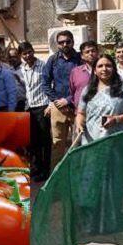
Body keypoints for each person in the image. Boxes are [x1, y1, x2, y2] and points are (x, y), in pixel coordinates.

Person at [75, 54, 123, 144]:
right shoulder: (88, 90)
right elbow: (81, 113)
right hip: (91, 140)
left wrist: (116, 119)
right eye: (100, 66)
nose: (104, 69)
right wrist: (79, 124)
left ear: (114, 69)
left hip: (116, 140)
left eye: (108, 66)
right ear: (94, 71)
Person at [42, 30, 82, 170]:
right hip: (58, 108)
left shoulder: (80, 59)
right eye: (61, 42)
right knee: (57, 144)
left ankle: (76, 174)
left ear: (72, 42)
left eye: (68, 41)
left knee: (77, 143)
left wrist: (68, 100)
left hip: (77, 108)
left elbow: (85, 84)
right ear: (57, 44)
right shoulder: (52, 60)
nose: (65, 44)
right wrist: (57, 101)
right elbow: (45, 84)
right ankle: (56, 177)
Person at [18, 42, 52, 181]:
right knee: (34, 141)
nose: (27, 56)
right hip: (29, 108)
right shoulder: (22, 69)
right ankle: (37, 167)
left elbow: (51, 85)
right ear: (21, 56)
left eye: (29, 52)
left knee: (45, 141)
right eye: (24, 53)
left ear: (33, 51)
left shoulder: (43, 66)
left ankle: (46, 170)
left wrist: (50, 104)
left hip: (43, 107)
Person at [69, 41, 99, 118]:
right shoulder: (75, 72)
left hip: (100, 113)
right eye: (87, 52)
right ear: (82, 56)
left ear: (97, 53)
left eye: (93, 51)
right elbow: (72, 92)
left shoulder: (105, 70)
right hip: (81, 113)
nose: (90, 54)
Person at [7, 47, 27, 112]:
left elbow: (29, 85)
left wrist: (19, 79)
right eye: (10, 57)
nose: (12, 59)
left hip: (24, 104)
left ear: (19, 56)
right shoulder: (8, 70)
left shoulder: (26, 68)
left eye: (14, 57)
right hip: (12, 104)